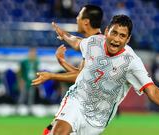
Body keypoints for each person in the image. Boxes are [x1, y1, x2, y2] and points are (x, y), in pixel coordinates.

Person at [32, 15, 159, 135]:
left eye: (122, 36)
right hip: (76, 101)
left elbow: (152, 90)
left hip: (98, 120)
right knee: (59, 131)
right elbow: (77, 43)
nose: (116, 39)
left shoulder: (131, 62)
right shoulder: (94, 42)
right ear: (107, 31)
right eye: (114, 33)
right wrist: (64, 35)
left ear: (128, 39)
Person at [41, 5, 103, 135]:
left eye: (79, 15)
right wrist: (62, 62)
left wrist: (51, 76)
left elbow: (79, 76)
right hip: (89, 109)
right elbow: (81, 74)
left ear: (86, 21)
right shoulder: (97, 42)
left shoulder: (94, 44)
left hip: (80, 105)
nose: (76, 18)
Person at [18, 48, 39, 114]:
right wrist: (21, 81)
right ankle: (17, 110)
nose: (33, 54)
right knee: (22, 96)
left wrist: (37, 81)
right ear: (29, 53)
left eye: (34, 53)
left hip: (32, 81)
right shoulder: (24, 61)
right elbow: (20, 72)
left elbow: (36, 72)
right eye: (32, 53)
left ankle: (29, 111)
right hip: (25, 81)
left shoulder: (36, 62)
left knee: (31, 96)